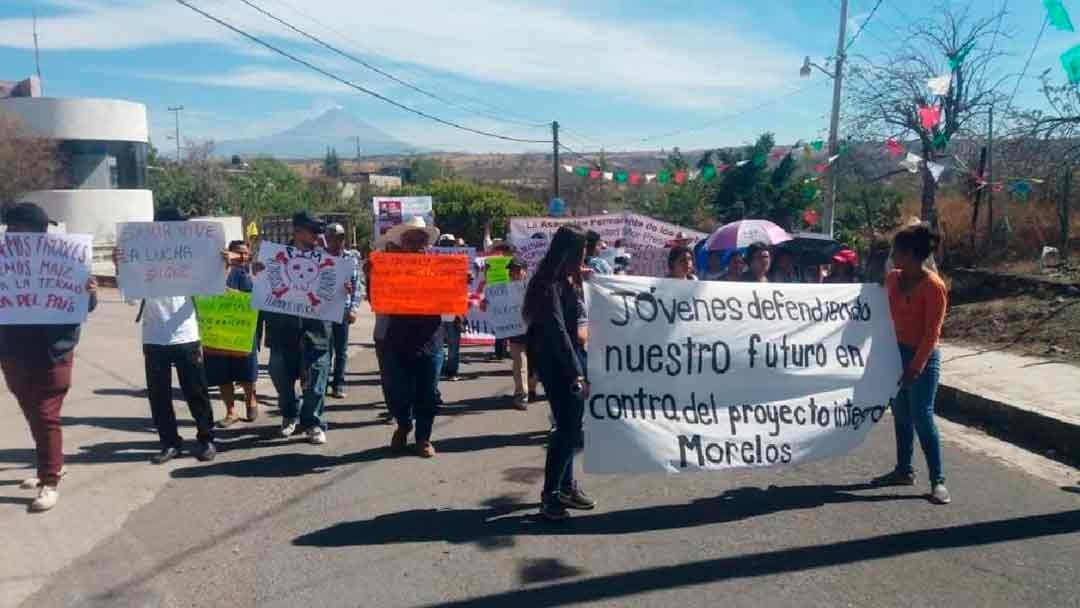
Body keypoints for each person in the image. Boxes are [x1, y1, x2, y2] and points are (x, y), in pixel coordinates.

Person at [0, 203, 98, 512]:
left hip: (54, 352)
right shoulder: (4, 260)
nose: (44, 235)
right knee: (32, 411)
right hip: (12, 352)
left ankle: (49, 481)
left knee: (45, 413)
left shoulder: (65, 257)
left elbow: (84, 306)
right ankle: (53, 462)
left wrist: (89, 292)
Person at [119, 208, 218, 464]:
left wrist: (221, 262)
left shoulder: (192, 253)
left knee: (196, 390)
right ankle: (170, 443)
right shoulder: (141, 254)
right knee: (159, 395)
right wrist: (122, 266)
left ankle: (206, 438)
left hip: (186, 333)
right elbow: (130, 299)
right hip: (154, 336)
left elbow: (211, 288)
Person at [872, 224, 951, 505]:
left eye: (897, 251)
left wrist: (915, 367)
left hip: (923, 359)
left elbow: (932, 334)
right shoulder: (893, 279)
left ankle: (938, 480)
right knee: (902, 414)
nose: (892, 256)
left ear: (911, 254)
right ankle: (903, 470)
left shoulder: (933, 287)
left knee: (922, 416)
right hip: (895, 354)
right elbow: (875, 308)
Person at [523, 225, 596, 521]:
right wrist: (576, 372)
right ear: (569, 251)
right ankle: (550, 494)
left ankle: (566, 486)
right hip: (558, 363)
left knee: (571, 427)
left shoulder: (568, 279)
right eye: (582, 252)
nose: (585, 257)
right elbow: (556, 330)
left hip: (571, 358)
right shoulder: (547, 283)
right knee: (567, 429)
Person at [260, 211, 335, 445]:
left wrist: (346, 289)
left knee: (316, 381)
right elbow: (262, 287)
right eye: (313, 231)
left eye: (319, 232)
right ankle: (290, 414)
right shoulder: (275, 257)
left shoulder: (329, 260)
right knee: (281, 377)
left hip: (317, 333)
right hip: (283, 331)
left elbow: (339, 290)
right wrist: (258, 273)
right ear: (298, 231)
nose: (317, 236)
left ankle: (313, 422)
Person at [377, 216, 445, 457]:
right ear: (402, 244)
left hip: (431, 339)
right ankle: (403, 423)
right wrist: (371, 276)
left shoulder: (441, 269)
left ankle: (423, 438)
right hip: (398, 339)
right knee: (396, 390)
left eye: (420, 240)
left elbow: (452, 301)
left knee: (428, 392)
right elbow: (376, 301)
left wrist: (460, 284)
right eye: (410, 240)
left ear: (427, 244)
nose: (416, 244)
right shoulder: (388, 268)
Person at [205, 240, 260, 427]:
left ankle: (251, 399)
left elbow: (261, 294)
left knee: (247, 370)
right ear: (228, 253)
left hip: (244, 330)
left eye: (245, 253)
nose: (242, 256)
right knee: (223, 374)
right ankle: (230, 412)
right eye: (237, 253)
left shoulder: (253, 272)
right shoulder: (215, 272)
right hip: (219, 330)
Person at [325, 223, 362, 400]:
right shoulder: (319, 257)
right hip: (323, 310)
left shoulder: (351, 258)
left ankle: (337, 385)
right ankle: (322, 383)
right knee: (324, 349)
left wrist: (354, 309)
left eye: (339, 237)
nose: (336, 241)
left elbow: (357, 286)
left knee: (341, 350)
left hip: (343, 310)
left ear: (343, 239)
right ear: (327, 239)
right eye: (331, 237)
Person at [505, 258, 537, 410]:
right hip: (515, 333)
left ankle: (531, 388)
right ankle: (521, 395)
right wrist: (487, 304)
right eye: (511, 271)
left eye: (517, 270)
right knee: (519, 363)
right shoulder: (503, 290)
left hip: (534, 332)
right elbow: (495, 307)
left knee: (534, 364)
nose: (514, 274)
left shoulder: (534, 288)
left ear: (525, 271)